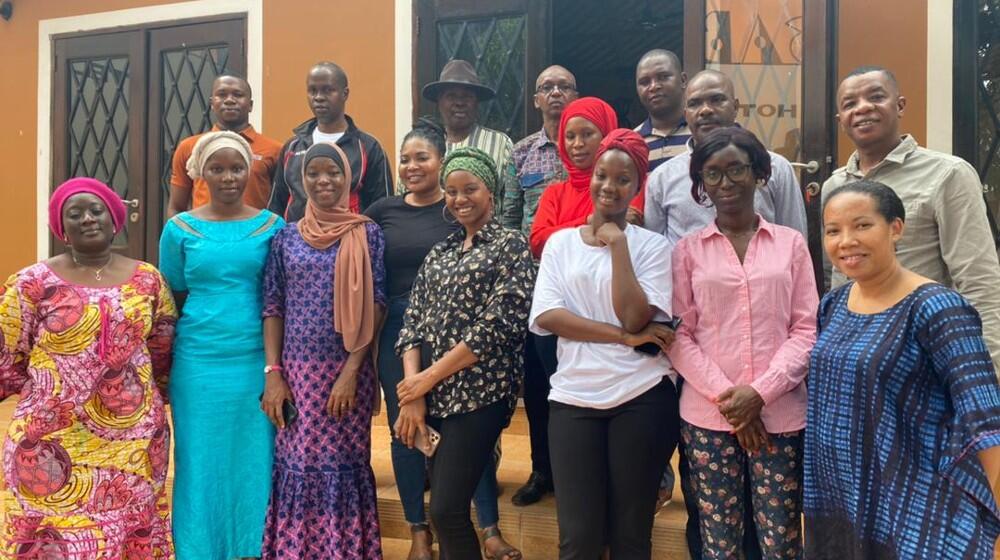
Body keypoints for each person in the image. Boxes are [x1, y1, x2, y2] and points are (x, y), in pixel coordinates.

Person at [806, 180, 1000, 558]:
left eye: (863, 225)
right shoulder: (833, 304)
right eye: (834, 230)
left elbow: (985, 421)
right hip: (839, 497)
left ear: (896, 228)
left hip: (915, 497)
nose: (846, 241)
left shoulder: (936, 308)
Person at [0, 178, 176, 557]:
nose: (87, 219)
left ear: (115, 219)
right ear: (61, 227)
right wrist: (48, 396)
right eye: (74, 214)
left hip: (132, 442)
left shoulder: (148, 280)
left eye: (96, 211)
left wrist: (144, 400)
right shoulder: (31, 283)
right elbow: (8, 352)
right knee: (52, 537)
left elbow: (162, 349)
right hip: (50, 442)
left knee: (128, 531)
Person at [669, 127, 817, 558]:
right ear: (701, 185)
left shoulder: (790, 245)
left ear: (759, 174)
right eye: (712, 175)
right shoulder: (687, 251)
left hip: (781, 415)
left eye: (736, 169)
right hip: (709, 419)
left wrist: (760, 394)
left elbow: (806, 329)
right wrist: (734, 403)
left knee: (781, 539)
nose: (725, 183)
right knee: (719, 541)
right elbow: (680, 335)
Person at [530, 129, 678, 558]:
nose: (609, 187)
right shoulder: (560, 244)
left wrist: (618, 245)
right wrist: (623, 337)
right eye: (602, 175)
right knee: (578, 538)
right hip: (574, 397)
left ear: (637, 187)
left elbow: (636, 314)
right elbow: (548, 316)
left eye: (623, 179)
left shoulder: (652, 247)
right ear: (590, 176)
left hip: (640, 395)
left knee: (631, 534)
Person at [394, 147, 534, 560]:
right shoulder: (441, 251)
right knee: (446, 511)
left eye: (469, 189)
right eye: (451, 191)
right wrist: (415, 393)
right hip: (432, 397)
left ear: (489, 191)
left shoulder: (511, 246)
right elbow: (412, 323)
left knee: (446, 508)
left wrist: (427, 378)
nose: (459, 199)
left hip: (480, 397)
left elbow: (496, 327)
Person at [822, 65, 1000, 375]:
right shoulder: (835, 186)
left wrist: (986, 372)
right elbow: (837, 279)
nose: (862, 108)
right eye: (850, 103)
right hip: (857, 358)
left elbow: (979, 280)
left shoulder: (948, 175)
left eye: (876, 97)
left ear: (900, 105)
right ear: (841, 121)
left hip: (923, 355)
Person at [158, 131, 285, 559]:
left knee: (256, 457)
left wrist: (275, 369)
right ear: (201, 174)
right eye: (218, 168)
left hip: (257, 359)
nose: (228, 177)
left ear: (248, 169)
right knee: (199, 461)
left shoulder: (272, 226)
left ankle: (255, 546)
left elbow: (281, 296)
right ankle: (199, 549)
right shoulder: (179, 229)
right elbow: (173, 293)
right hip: (199, 363)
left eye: (236, 167)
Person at [260, 141, 385, 558]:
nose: (323, 180)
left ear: (347, 177)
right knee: (297, 465)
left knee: (342, 465)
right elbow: (273, 305)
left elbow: (377, 304)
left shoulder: (366, 233)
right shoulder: (285, 238)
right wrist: (274, 373)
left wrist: (351, 371)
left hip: (346, 369)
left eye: (332, 171)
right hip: (296, 375)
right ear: (300, 179)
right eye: (313, 173)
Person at [364, 118, 459, 560]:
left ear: (441, 160)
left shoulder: (455, 208)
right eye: (405, 159)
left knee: (450, 426)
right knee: (406, 427)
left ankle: (449, 519)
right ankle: (418, 530)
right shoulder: (383, 211)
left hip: (450, 333)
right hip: (396, 332)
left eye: (422, 157)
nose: (412, 166)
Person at [502, 64, 578, 507]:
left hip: (585, 291)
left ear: (575, 93)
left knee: (576, 381)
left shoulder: (592, 145)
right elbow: (512, 221)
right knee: (536, 384)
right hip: (535, 289)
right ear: (535, 100)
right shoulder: (523, 152)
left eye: (562, 86)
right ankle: (541, 469)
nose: (554, 93)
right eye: (545, 87)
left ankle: (575, 470)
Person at [644, 70, 807, 247]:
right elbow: (654, 253)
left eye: (717, 100)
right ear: (686, 114)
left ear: (736, 107)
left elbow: (796, 244)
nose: (705, 110)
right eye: (694, 104)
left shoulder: (776, 168)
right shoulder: (662, 179)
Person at [268, 61, 393, 221]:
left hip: (349, 240)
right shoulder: (292, 147)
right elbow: (276, 204)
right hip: (297, 241)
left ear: (345, 93)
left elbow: (383, 206)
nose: (319, 97)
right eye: (312, 91)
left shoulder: (369, 147)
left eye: (328, 90)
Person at [529, 97, 645, 259]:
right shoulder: (554, 193)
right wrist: (590, 220)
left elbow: (625, 228)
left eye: (587, 134)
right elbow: (537, 243)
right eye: (570, 136)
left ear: (606, 134)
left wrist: (561, 230)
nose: (577, 144)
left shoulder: (629, 184)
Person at [167, 75, 282, 216]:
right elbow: (176, 207)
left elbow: (281, 204)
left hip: (255, 235)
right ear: (211, 104)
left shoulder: (275, 150)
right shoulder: (190, 147)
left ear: (250, 105)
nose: (229, 100)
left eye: (238, 95)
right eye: (222, 95)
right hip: (203, 235)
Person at [422, 59, 517, 214]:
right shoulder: (424, 146)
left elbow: (511, 203)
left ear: (477, 102)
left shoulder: (500, 144)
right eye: (451, 96)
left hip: (487, 235)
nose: (459, 102)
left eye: (467, 96)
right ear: (439, 101)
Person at [633, 49, 690, 171]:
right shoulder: (633, 142)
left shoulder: (703, 132)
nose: (654, 86)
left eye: (663, 77)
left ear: (683, 80)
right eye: (645, 82)